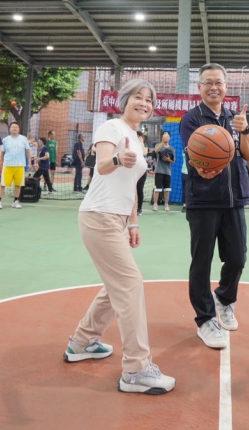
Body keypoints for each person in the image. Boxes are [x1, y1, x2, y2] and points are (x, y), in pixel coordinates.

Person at [64, 79, 175, 395]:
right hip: (99, 215)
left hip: (117, 218)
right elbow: (100, 166)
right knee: (130, 284)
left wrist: (134, 222)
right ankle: (136, 370)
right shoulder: (111, 128)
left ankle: (82, 342)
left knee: (117, 285)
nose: (144, 103)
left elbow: (133, 186)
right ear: (124, 100)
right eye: (138, 97)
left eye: (149, 99)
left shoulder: (138, 140)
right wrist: (116, 159)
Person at [179, 63, 249, 350]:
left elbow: (248, 155)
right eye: (208, 82)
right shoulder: (191, 118)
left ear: (226, 86)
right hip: (203, 200)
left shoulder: (236, 118)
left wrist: (245, 130)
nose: (214, 87)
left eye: (218, 82)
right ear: (199, 87)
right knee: (202, 261)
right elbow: (196, 156)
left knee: (238, 258)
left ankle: (223, 297)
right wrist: (204, 167)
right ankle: (205, 319)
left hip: (234, 199)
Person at [0, 122, 30, 209]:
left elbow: (28, 151)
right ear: (10, 129)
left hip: (20, 165)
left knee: (18, 184)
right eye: (13, 127)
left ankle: (15, 201)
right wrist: (2, 162)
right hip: (8, 165)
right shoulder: (5, 140)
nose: (14, 128)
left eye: (16, 127)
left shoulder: (24, 139)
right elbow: (2, 152)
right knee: (2, 184)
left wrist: (30, 163)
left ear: (19, 129)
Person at [152, 131, 175, 211]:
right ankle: (155, 204)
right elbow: (156, 151)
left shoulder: (172, 149)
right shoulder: (158, 145)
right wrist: (162, 141)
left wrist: (169, 160)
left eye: (167, 136)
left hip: (167, 171)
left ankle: (166, 204)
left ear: (170, 138)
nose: (166, 137)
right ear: (162, 137)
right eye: (164, 136)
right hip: (159, 170)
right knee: (157, 189)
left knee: (167, 189)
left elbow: (173, 161)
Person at [135, 131, 148, 215]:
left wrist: (141, 143)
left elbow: (144, 153)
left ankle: (139, 208)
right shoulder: (132, 145)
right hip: (132, 170)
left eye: (138, 136)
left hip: (141, 171)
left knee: (139, 189)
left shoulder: (144, 145)